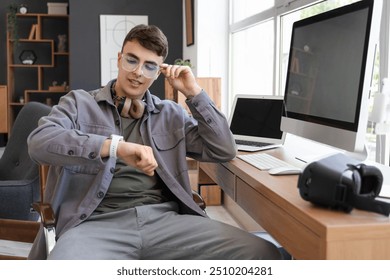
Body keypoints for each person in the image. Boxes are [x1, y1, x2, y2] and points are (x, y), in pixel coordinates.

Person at [27, 24, 282, 260]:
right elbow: (39, 142)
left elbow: (224, 149)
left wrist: (194, 92)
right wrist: (115, 147)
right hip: (94, 224)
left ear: (159, 72)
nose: (138, 72)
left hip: (165, 221)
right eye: (132, 60)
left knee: (262, 252)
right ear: (119, 59)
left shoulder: (171, 114)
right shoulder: (79, 103)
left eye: (149, 66)